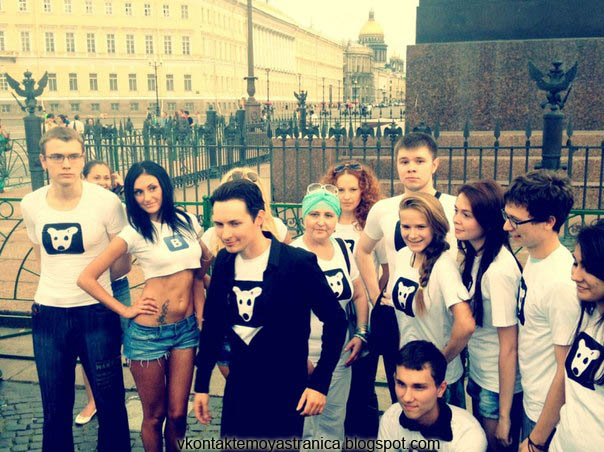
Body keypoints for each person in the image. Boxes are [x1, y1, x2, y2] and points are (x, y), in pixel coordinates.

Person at [193, 179, 348, 442]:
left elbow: (336, 321)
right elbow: (214, 325)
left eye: (235, 223)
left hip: (285, 391)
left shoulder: (297, 263)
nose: (225, 233)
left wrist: (320, 383)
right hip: (239, 389)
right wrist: (202, 385)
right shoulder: (224, 261)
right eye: (219, 224)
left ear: (259, 218)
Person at [78, 161, 205, 452]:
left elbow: (198, 272)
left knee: (178, 414)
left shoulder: (187, 221)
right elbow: (86, 278)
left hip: (185, 332)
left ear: (164, 187)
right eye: (138, 192)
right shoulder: (133, 231)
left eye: (152, 188)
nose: (147, 197)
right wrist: (125, 310)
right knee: (154, 416)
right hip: (148, 336)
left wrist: (201, 315)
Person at [20, 127, 131, 452]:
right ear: (44, 161)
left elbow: (121, 264)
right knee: (54, 407)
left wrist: (96, 287)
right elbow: (41, 257)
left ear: (82, 158)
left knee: (110, 403)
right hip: (49, 315)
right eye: (57, 157)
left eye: (72, 156)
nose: (66, 164)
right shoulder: (31, 204)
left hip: (96, 313)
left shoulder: (107, 203)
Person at [356, 132, 457, 403]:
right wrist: (376, 295)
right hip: (396, 313)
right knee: (403, 394)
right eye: (404, 161)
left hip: (437, 315)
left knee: (440, 393)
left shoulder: (453, 207)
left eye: (419, 161)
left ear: (435, 164)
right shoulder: (384, 209)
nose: (411, 168)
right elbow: (362, 251)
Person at [502, 170, 579, 451]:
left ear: (549, 222)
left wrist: (537, 439)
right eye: (506, 216)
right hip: (531, 397)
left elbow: (565, 370)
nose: (507, 226)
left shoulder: (561, 284)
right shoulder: (536, 259)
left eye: (516, 220)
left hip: (544, 415)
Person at [290, 183, 368, 447]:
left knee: (333, 419)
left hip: (338, 354)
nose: (321, 222)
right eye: (314, 214)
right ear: (303, 217)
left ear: (337, 219)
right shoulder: (292, 254)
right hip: (304, 355)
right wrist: (297, 357)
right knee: (304, 423)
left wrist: (361, 332)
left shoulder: (343, 250)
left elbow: (359, 294)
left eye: (328, 215)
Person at [199, 167, 292, 378]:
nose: (226, 232)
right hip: (230, 322)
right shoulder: (213, 235)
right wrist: (216, 291)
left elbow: (289, 268)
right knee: (237, 382)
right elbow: (197, 275)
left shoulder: (277, 227)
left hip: (268, 321)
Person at [454, 180, 523, 451]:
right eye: (456, 211)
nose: (456, 220)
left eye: (466, 215)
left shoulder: (498, 272)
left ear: (488, 220)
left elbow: (509, 346)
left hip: (496, 388)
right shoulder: (475, 255)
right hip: (480, 374)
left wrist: (504, 416)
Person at [322, 160, 387, 440]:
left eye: (353, 189)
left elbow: (385, 269)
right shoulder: (326, 221)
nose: (346, 196)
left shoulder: (371, 226)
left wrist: (373, 300)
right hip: (332, 311)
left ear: (364, 191)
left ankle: (363, 435)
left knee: (362, 380)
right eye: (340, 190)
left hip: (363, 312)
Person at [392, 192, 475, 408]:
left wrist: (440, 362)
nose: (412, 234)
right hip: (409, 377)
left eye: (421, 227)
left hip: (439, 384)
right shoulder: (403, 256)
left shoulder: (444, 267)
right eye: (406, 227)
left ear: (436, 227)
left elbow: (466, 324)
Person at [74, 160, 132, 426]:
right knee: (89, 348)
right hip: (91, 287)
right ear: (84, 178)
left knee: (127, 341)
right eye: (96, 177)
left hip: (116, 283)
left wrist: (121, 191)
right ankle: (94, 399)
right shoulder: (79, 208)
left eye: (107, 178)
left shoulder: (116, 206)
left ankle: (123, 395)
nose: (103, 182)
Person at [550, 220, 604, 452]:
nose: (575, 276)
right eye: (575, 263)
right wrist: (536, 441)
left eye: (587, 267)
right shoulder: (589, 313)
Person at [378, 340, 487, 452]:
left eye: (418, 387)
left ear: (441, 389)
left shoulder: (467, 436)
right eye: (401, 384)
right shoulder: (391, 418)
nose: (407, 398)